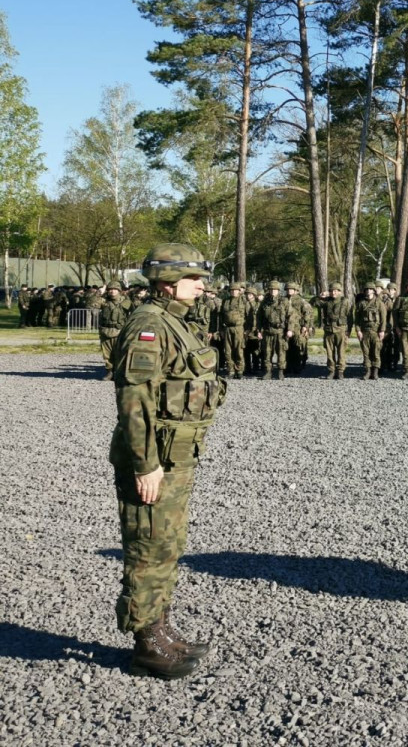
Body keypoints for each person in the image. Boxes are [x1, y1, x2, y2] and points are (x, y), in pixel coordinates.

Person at [109, 243, 226, 679]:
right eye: (193, 278)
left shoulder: (178, 323)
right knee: (148, 547)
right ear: (166, 283)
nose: (201, 285)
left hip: (177, 457)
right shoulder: (149, 326)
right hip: (154, 460)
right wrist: (145, 465)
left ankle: (161, 629)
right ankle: (145, 645)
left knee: (168, 544)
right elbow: (134, 400)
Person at [320, 284, 354, 379]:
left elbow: (350, 317)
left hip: (341, 330)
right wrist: (320, 296)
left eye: (335, 291)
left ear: (339, 291)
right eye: (331, 291)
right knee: (330, 353)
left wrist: (349, 330)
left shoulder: (345, 301)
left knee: (341, 352)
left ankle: (340, 371)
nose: (333, 293)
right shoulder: (326, 301)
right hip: (329, 330)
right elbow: (314, 303)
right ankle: (331, 370)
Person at [98, 281, 129, 380]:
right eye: (110, 289)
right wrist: (99, 292)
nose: (112, 291)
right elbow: (90, 304)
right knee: (107, 354)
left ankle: (119, 372)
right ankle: (110, 372)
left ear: (119, 291)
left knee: (119, 353)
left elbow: (133, 314)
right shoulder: (103, 301)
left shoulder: (125, 302)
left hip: (120, 331)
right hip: (106, 330)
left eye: (115, 289)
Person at [355, 282, 387, 380]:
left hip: (376, 331)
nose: (368, 291)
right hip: (364, 331)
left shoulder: (379, 303)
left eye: (370, 289)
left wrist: (382, 330)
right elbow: (357, 319)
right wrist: (358, 331)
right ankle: (367, 371)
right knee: (366, 353)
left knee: (376, 352)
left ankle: (375, 372)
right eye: (366, 289)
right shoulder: (361, 303)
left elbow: (383, 318)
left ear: (373, 290)